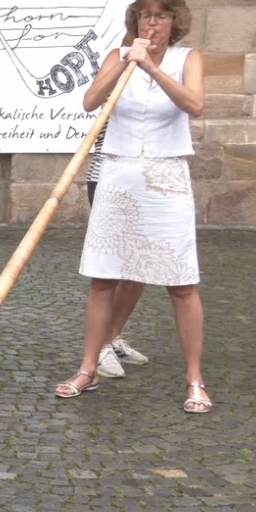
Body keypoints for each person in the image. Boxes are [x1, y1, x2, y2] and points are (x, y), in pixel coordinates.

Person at [55, 0, 210, 413]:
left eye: (161, 16)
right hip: (119, 173)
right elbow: (90, 101)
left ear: (175, 21)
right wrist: (125, 61)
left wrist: (153, 70)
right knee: (103, 276)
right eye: (145, 15)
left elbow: (194, 105)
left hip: (167, 175)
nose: (153, 23)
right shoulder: (119, 57)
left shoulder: (187, 59)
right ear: (135, 21)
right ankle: (88, 368)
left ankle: (195, 379)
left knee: (181, 283)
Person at [84, 136, 150, 379]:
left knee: (140, 266)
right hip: (109, 178)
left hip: (149, 179)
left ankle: (112, 338)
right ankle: (100, 348)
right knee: (111, 268)